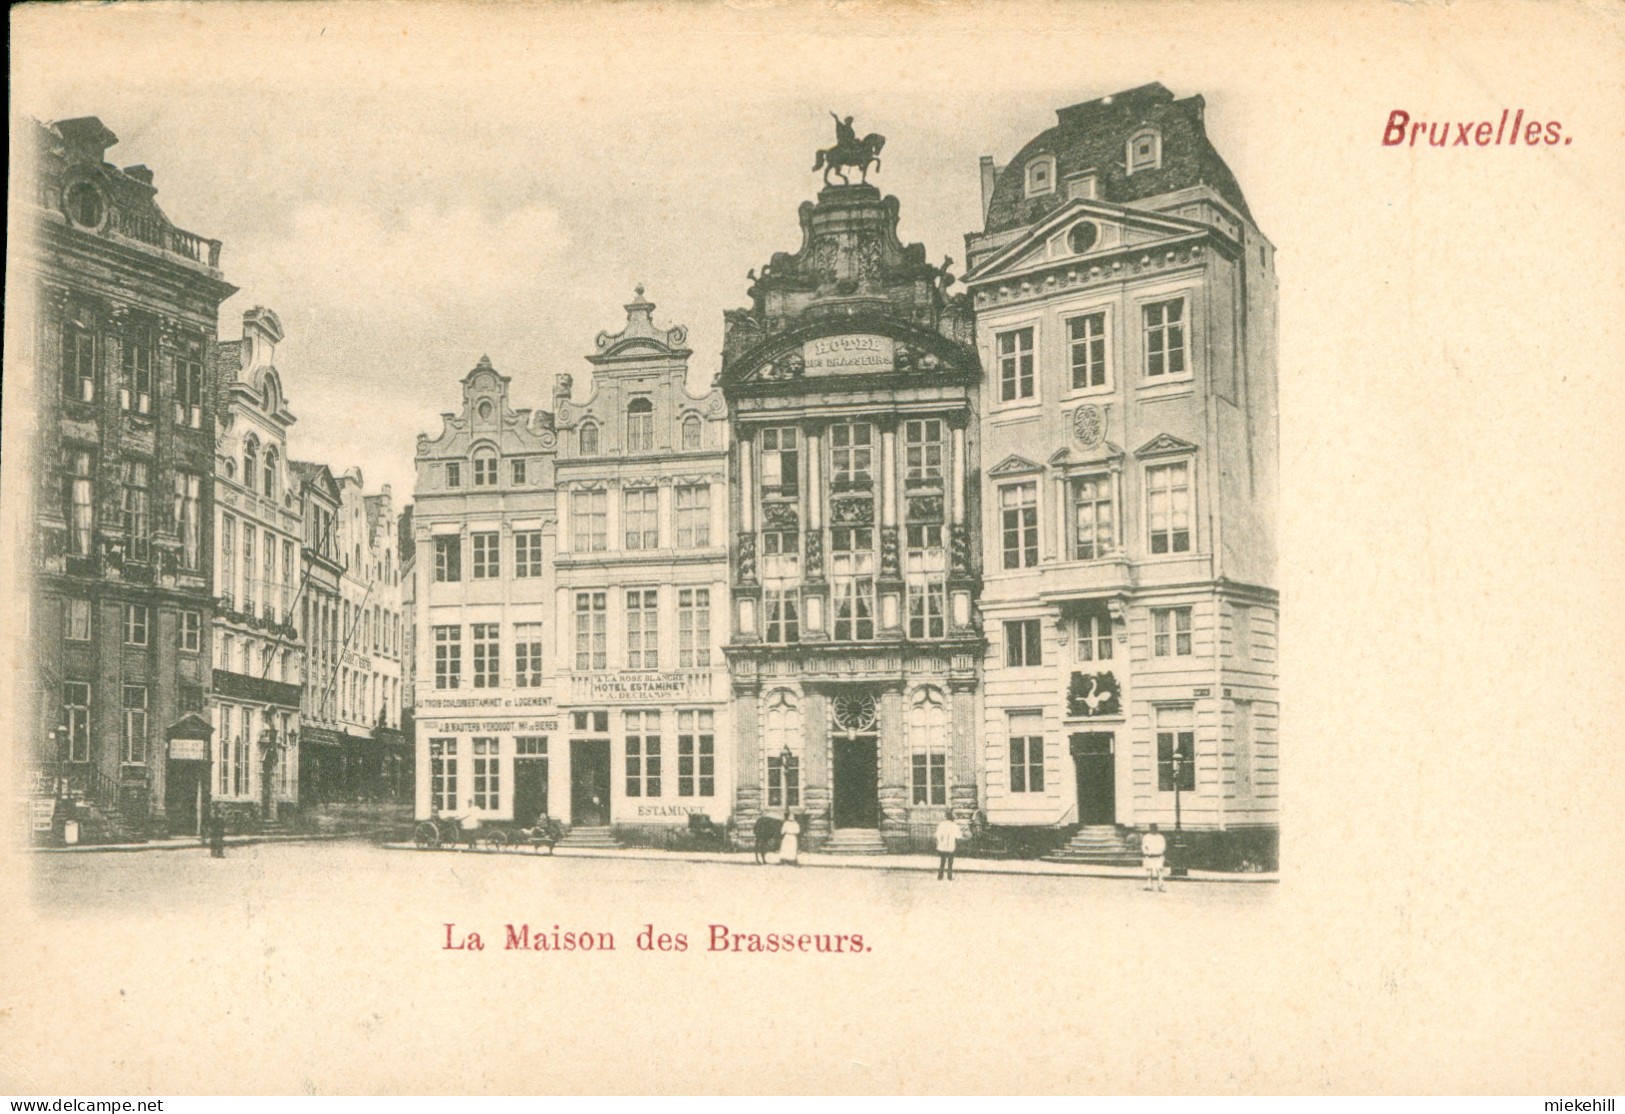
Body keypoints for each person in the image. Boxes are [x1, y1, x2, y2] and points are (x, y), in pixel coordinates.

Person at [935, 811, 961, 881]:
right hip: (950, 847)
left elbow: (937, 834)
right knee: (950, 862)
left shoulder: (941, 824)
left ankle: (940, 876)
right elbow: (958, 836)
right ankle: (949, 876)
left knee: (942, 861)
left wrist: (940, 841)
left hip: (942, 846)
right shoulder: (954, 825)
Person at [1141, 823, 1168, 892]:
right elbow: (1144, 846)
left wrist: (1160, 852)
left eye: (1154, 828)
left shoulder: (1160, 837)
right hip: (1149, 856)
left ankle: (1160, 886)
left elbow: (1163, 846)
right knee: (1149, 872)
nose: (1153, 829)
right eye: (1152, 828)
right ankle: (1149, 885)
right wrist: (1146, 852)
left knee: (1160, 872)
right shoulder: (1146, 837)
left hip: (1158, 856)